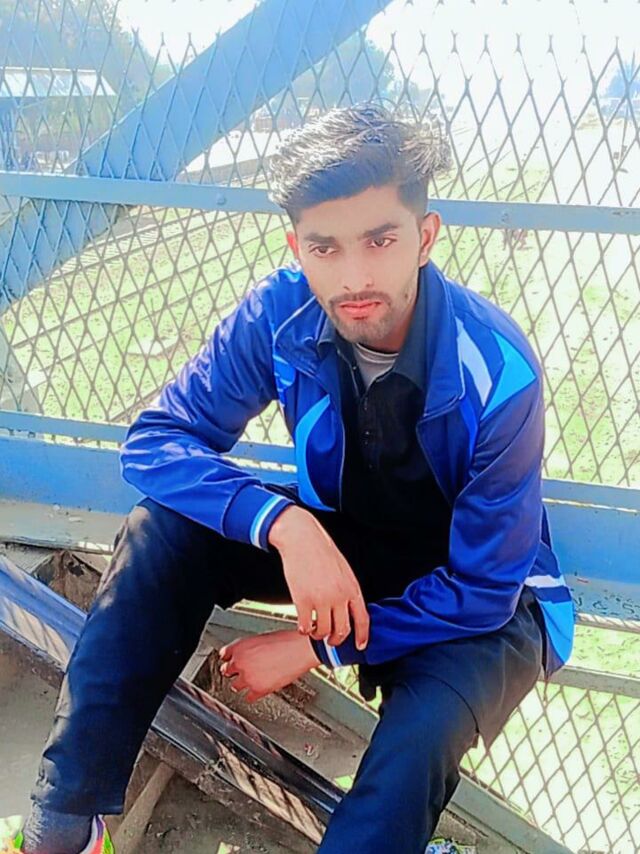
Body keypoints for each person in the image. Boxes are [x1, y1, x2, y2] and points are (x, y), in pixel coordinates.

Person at [1, 103, 575, 854]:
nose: (355, 276)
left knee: (418, 741)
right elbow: (156, 442)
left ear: (426, 236)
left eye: (381, 240)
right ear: (296, 247)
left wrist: (314, 646)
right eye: (325, 247)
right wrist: (285, 524)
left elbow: (484, 587)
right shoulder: (281, 311)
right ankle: (64, 826)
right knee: (159, 531)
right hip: (348, 543)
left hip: (487, 598)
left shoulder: (497, 367)